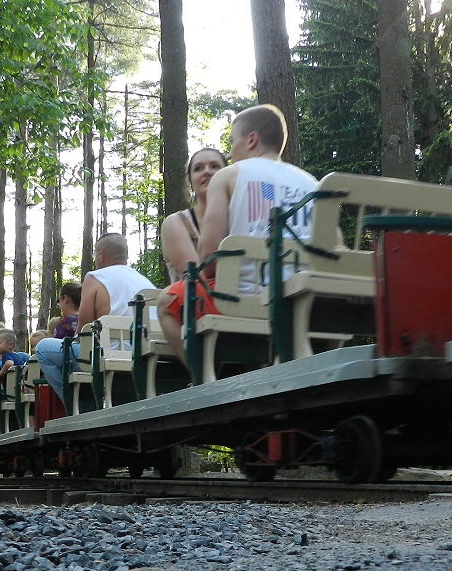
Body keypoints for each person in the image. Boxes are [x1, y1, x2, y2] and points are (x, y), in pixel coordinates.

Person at [157, 105, 319, 365]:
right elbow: (332, 248)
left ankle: (203, 380)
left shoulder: (229, 176)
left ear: (251, 140)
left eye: (232, 143)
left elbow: (208, 262)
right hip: (307, 301)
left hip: (245, 301)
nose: (231, 154)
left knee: (166, 302)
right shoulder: (312, 183)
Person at [35, 233, 154, 401]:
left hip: (106, 356)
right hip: (145, 355)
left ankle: (76, 404)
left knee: (43, 348)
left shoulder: (95, 278)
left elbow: (83, 332)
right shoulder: (144, 281)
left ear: (101, 255)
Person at [161, 147, 226, 282]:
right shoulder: (177, 223)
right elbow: (198, 280)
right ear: (190, 184)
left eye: (214, 166)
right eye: (198, 169)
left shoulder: (239, 217)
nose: (207, 171)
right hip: (196, 300)